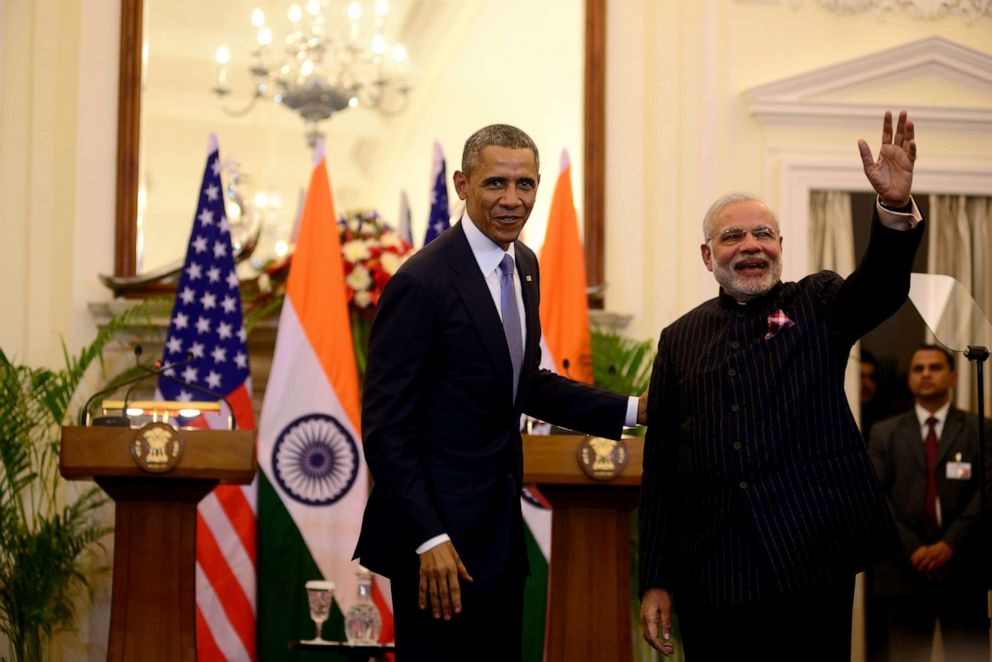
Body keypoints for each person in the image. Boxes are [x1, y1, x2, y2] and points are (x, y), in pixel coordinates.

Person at [638, 110, 925, 660]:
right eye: (732, 236)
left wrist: (891, 208)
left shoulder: (816, 302)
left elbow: (880, 289)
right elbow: (662, 470)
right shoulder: (679, 338)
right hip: (714, 570)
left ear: (780, 244)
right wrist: (655, 578)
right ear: (708, 255)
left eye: (762, 233)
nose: (750, 245)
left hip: (811, 554)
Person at [354, 124, 645, 661]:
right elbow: (386, 430)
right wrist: (428, 539)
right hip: (437, 542)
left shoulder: (525, 265)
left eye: (526, 185)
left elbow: (525, 382)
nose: (513, 201)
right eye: (495, 184)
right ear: (463, 185)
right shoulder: (422, 281)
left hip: (499, 532)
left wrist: (634, 409)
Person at [868, 345, 990, 661]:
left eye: (934, 368)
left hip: (963, 567)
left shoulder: (981, 429)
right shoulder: (884, 433)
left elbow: (987, 491)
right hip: (903, 567)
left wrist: (948, 544)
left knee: (969, 656)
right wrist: (914, 548)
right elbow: (875, 496)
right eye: (918, 368)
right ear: (909, 378)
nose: (925, 374)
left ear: (952, 377)